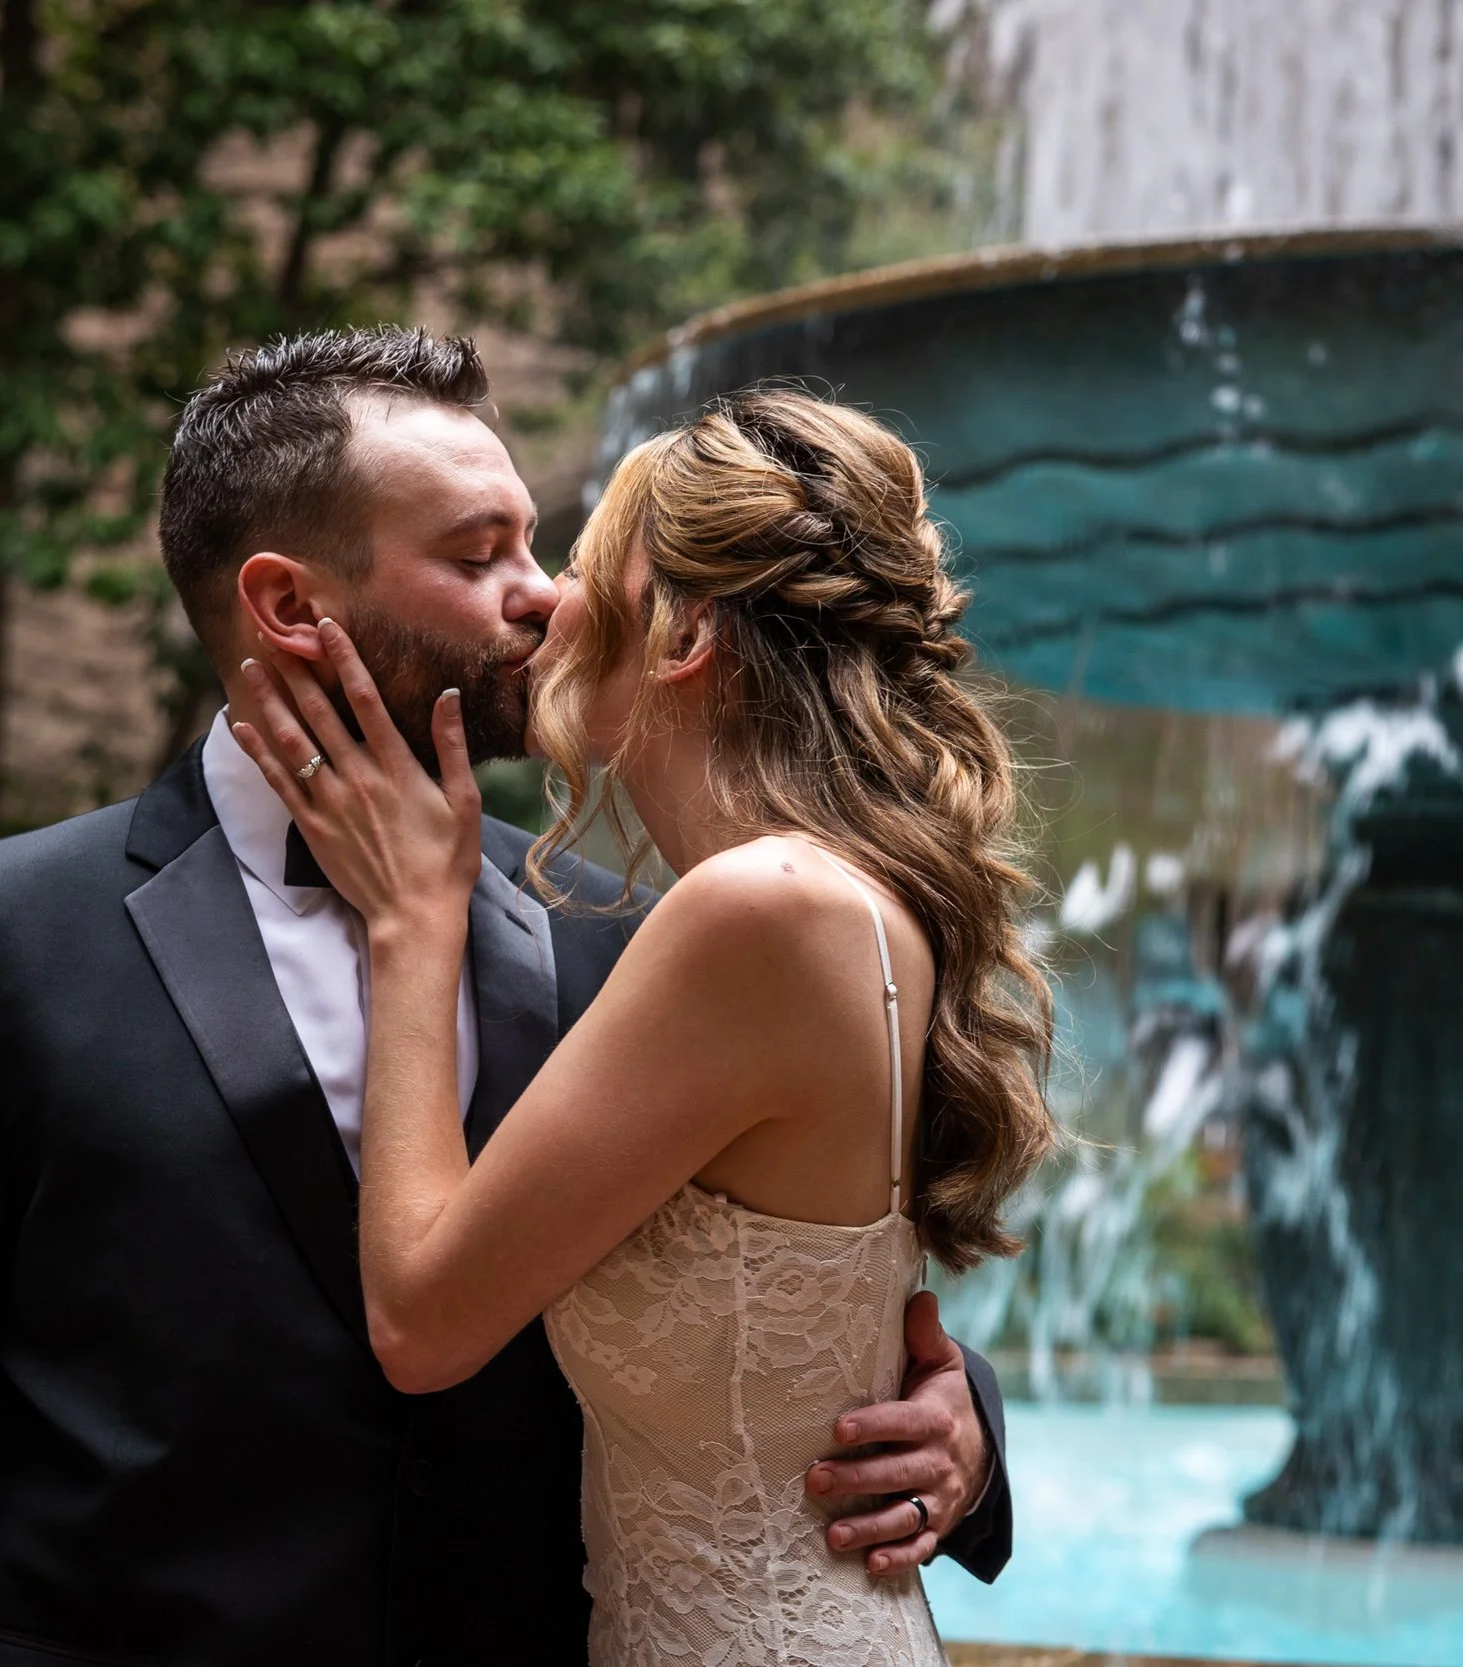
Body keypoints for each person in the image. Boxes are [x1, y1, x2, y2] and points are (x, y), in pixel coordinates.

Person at [0, 331, 1014, 1667]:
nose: (545, 598)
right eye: (480, 559)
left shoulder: (636, 939)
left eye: (539, 546)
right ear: (291, 606)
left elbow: (773, 1299)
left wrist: (963, 1423)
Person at [232, 387, 1054, 1666]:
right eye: (479, 553)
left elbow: (424, 1319)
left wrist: (412, 924)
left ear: (682, 634)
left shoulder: (756, 911)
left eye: (576, 563)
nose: (548, 602)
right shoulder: (840, 900)